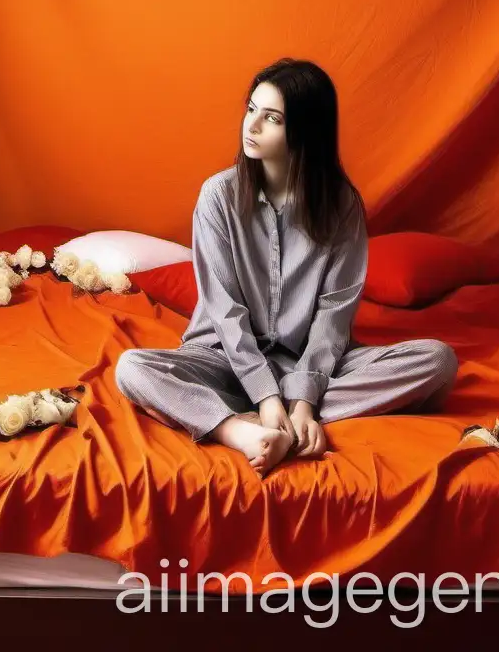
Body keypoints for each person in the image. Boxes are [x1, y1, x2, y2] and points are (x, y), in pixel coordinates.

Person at [115, 58, 458, 476]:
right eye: (251, 109)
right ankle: (236, 430)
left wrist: (303, 401)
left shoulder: (341, 206)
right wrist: (265, 396)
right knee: (132, 368)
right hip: (223, 358)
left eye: (272, 117)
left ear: (304, 131)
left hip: (308, 362)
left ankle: (281, 422)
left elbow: (334, 315)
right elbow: (224, 312)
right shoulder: (217, 197)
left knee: (437, 361)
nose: (252, 125)